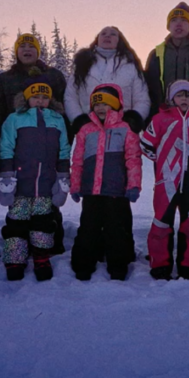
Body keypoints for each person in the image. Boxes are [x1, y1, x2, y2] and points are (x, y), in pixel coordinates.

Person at [0, 33, 70, 253]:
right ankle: (18, 247)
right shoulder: (5, 78)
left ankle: (47, 247)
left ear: (38, 51)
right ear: (16, 51)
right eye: (22, 46)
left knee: (48, 201)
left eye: (32, 46)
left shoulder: (54, 76)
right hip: (18, 148)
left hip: (48, 146)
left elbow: (63, 108)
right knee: (19, 200)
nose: (27, 49)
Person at [69, 83, 142, 281]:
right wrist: (75, 185)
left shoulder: (125, 129)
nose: (101, 108)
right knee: (88, 228)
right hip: (91, 191)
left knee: (116, 229)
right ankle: (83, 264)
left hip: (116, 191)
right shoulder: (85, 130)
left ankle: (118, 265)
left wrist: (133, 185)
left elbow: (133, 159)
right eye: (97, 104)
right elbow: (77, 160)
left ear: (116, 105)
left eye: (106, 104)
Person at [139, 80, 189, 280]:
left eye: (188, 95)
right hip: (166, 181)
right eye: (180, 95)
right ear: (171, 99)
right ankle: (160, 264)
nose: (184, 99)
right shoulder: (161, 118)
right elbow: (145, 144)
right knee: (161, 223)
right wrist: (160, 160)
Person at [65, 26, 150, 135]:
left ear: (119, 41)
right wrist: (79, 120)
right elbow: (71, 96)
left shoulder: (131, 66)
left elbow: (142, 98)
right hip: (88, 131)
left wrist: (133, 119)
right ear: (97, 40)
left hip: (124, 131)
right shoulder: (82, 65)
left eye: (113, 34)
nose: (107, 35)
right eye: (103, 33)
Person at [144, 2, 189, 122]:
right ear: (168, 26)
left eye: (184, 20)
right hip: (164, 120)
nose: (179, 23)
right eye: (174, 20)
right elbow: (149, 89)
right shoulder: (156, 54)